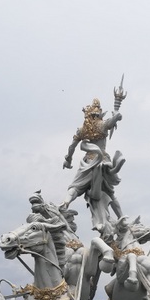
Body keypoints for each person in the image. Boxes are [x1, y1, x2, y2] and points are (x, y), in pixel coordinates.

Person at [61, 98, 125, 232]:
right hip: (103, 162)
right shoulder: (102, 124)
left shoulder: (82, 129)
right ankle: (122, 218)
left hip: (89, 162)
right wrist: (117, 111)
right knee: (110, 193)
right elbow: (116, 118)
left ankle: (65, 202)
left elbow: (72, 147)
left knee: (75, 187)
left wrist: (68, 160)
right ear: (98, 113)